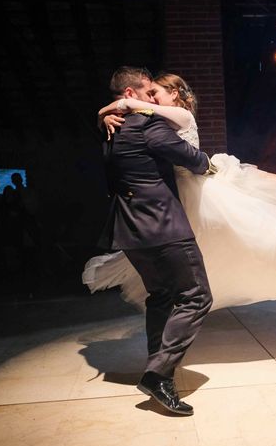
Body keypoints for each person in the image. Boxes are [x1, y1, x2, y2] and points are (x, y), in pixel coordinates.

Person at [85, 72, 276, 311]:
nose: (151, 98)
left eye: (156, 93)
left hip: (194, 185)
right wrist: (105, 115)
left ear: (174, 93)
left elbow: (140, 110)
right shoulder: (158, 118)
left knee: (238, 235)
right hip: (179, 191)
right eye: (149, 93)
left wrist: (114, 108)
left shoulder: (181, 115)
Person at [91, 66, 217, 416]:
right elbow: (190, 158)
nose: (151, 100)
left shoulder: (111, 130)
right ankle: (158, 374)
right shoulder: (148, 124)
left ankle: (158, 367)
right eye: (148, 94)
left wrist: (102, 116)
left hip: (129, 231)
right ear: (129, 95)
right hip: (163, 226)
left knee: (161, 296)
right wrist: (206, 163)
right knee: (197, 297)